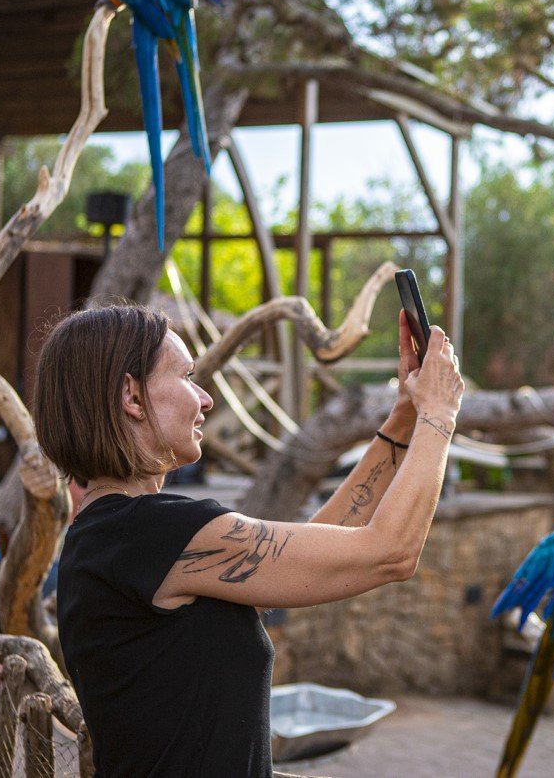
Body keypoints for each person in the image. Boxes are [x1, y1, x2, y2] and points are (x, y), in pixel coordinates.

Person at [37, 304, 464, 777]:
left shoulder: (110, 536)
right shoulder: (152, 533)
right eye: (187, 377)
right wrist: (439, 416)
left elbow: (321, 552)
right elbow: (389, 553)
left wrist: (403, 419)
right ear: (132, 396)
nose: (206, 399)